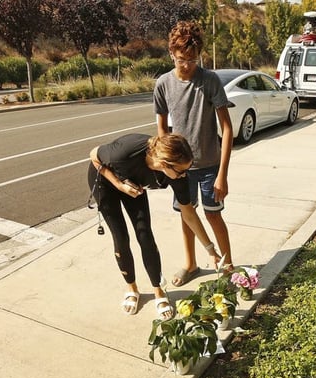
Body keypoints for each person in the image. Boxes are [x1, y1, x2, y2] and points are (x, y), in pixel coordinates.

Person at [88, 133, 220, 319]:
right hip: (106, 181)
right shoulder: (126, 151)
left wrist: (210, 249)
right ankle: (132, 288)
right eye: (181, 171)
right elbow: (94, 155)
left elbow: (189, 214)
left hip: (132, 184)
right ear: (165, 164)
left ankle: (158, 291)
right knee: (121, 238)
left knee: (145, 235)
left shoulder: (177, 175)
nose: (184, 175)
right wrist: (119, 185)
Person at [154, 20, 235, 287]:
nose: (187, 64)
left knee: (213, 215)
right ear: (171, 55)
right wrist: (168, 168)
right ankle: (191, 264)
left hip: (210, 164)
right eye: (180, 59)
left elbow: (227, 127)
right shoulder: (163, 84)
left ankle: (228, 265)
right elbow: (162, 130)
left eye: (192, 59)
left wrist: (222, 175)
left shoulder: (210, 80)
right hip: (181, 169)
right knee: (186, 215)